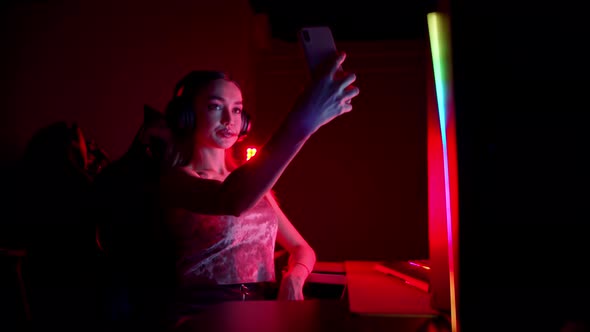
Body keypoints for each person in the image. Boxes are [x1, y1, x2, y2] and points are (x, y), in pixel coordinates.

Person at [155, 52, 359, 327]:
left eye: (237, 109)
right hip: (202, 315)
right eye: (216, 107)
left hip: (261, 310)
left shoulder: (252, 185)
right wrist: (303, 122)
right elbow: (231, 200)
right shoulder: (175, 180)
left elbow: (301, 248)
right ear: (187, 116)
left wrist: (294, 278)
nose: (230, 119)